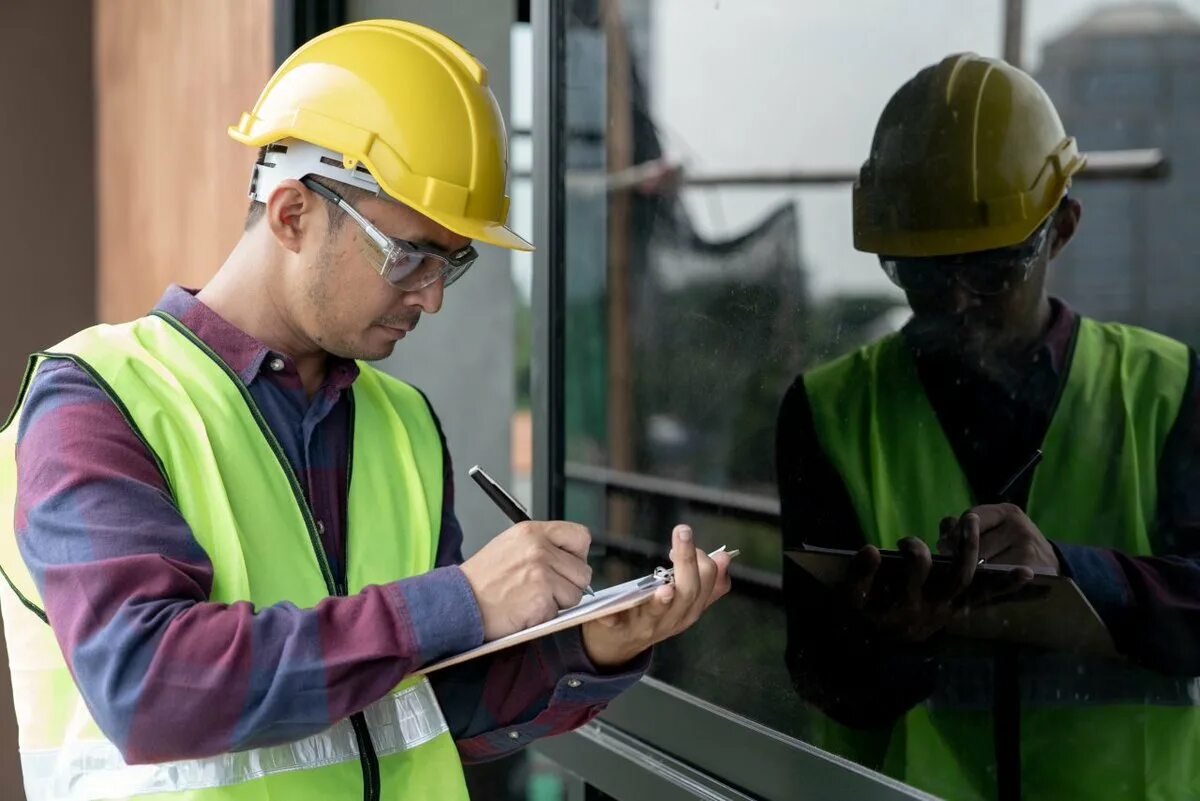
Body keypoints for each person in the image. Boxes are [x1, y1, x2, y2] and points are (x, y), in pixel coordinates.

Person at [0, 20, 733, 801]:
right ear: (290, 215)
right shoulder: (97, 403)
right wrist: (462, 601)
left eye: (453, 261)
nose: (433, 297)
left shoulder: (404, 424)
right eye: (410, 255)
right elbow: (152, 689)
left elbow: (425, 705)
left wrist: (585, 647)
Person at [777, 52, 1200, 801]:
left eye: (994, 271)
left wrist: (1074, 574)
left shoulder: (1167, 391)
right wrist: (892, 643)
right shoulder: (830, 411)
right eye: (925, 278)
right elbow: (820, 673)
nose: (961, 304)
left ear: (1061, 229)